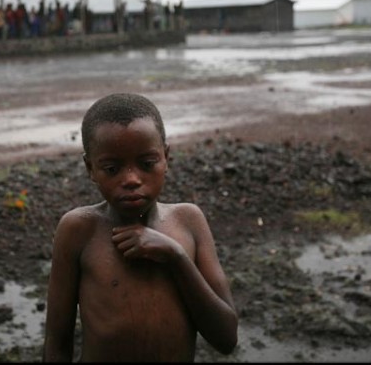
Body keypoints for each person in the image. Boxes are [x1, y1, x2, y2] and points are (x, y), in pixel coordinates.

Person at [42, 93, 238, 362]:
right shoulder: (78, 230)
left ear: (166, 157)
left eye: (147, 164)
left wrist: (176, 257)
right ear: (90, 168)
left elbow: (226, 337)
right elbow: (57, 342)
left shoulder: (189, 221)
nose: (132, 179)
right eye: (112, 169)